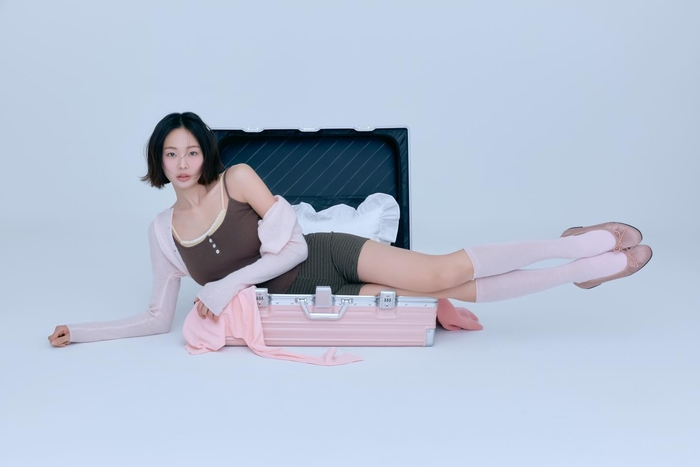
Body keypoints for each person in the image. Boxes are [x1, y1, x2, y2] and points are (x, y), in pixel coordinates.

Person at [48, 112, 653, 347]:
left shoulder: (238, 179)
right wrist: (81, 333)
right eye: (170, 154)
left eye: (190, 151)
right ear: (158, 162)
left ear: (204, 153)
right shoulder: (161, 231)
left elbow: (292, 246)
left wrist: (229, 285)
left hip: (327, 256)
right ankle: (579, 274)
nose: (182, 163)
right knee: (443, 294)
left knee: (441, 269)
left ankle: (578, 243)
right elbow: (157, 318)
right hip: (308, 300)